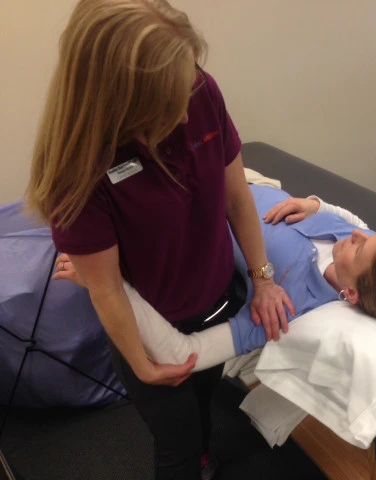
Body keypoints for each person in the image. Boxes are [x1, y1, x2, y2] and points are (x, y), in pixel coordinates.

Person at [24, 1, 294, 479]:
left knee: (205, 403)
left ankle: (205, 455)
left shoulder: (200, 91)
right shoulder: (79, 173)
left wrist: (263, 279)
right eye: (169, 98)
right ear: (119, 101)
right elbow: (105, 287)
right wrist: (141, 364)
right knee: (177, 445)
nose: (186, 104)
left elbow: (237, 200)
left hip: (216, 303)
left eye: (187, 82)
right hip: (151, 327)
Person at [54, 184, 376, 371]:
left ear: (352, 294)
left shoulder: (289, 308)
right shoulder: (374, 250)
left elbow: (183, 353)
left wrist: (109, 284)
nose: (358, 235)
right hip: (244, 184)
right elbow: (357, 222)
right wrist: (315, 204)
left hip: (184, 215)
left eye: (360, 247)